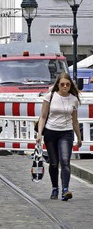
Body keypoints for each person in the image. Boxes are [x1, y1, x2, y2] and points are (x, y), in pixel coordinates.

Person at [36, 72, 82, 201]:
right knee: (54, 163)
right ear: (58, 85)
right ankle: (55, 188)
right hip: (51, 132)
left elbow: (75, 121)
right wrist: (39, 134)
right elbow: (43, 116)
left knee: (65, 161)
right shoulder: (50, 96)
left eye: (68, 84)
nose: (65, 86)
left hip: (66, 133)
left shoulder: (73, 99)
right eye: (62, 84)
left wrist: (79, 137)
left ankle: (65, 190)